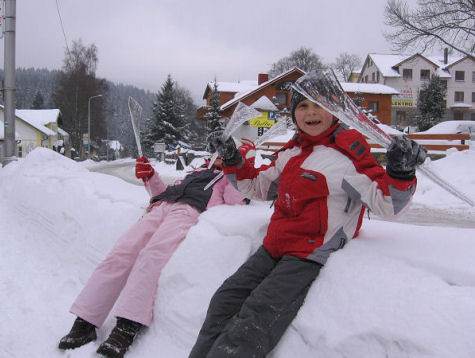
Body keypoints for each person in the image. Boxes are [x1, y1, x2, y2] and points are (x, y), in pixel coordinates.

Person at [189, 85, 426, 358]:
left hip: (308, 254)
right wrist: (232, 157)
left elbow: (387, 204)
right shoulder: (291, 152)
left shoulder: (348, 157)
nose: (311, 112)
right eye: (303, 106)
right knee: (225, 299)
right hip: (274, 247)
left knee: (256, 315)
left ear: (335, 112)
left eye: (319, 105)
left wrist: (401, 171)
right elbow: (257, 187)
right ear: (294, 114)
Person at [58, 155, 245, 358]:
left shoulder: (229, 178)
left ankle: (127, 326)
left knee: (152, 255)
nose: (220, 157)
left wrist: (234, 169)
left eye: (226, 153)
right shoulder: (197, 172)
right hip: (161, 206)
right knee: (121, 252)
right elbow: (163, 192)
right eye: (218, 153)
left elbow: (237, 200)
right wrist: (151, 177)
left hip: (187, 212)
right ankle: (85, 321)